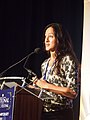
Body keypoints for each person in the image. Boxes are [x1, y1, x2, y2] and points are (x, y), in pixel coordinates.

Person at [32, 23, 79, 120]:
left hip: (61, 114)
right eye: (45, 37)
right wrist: (33, 87)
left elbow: (73, 92)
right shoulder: (44, 64)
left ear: (59, 39)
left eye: (50, 36)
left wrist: (46, 86)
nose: (46, 40)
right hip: (44, 113)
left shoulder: (67, 60)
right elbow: (45, 90)